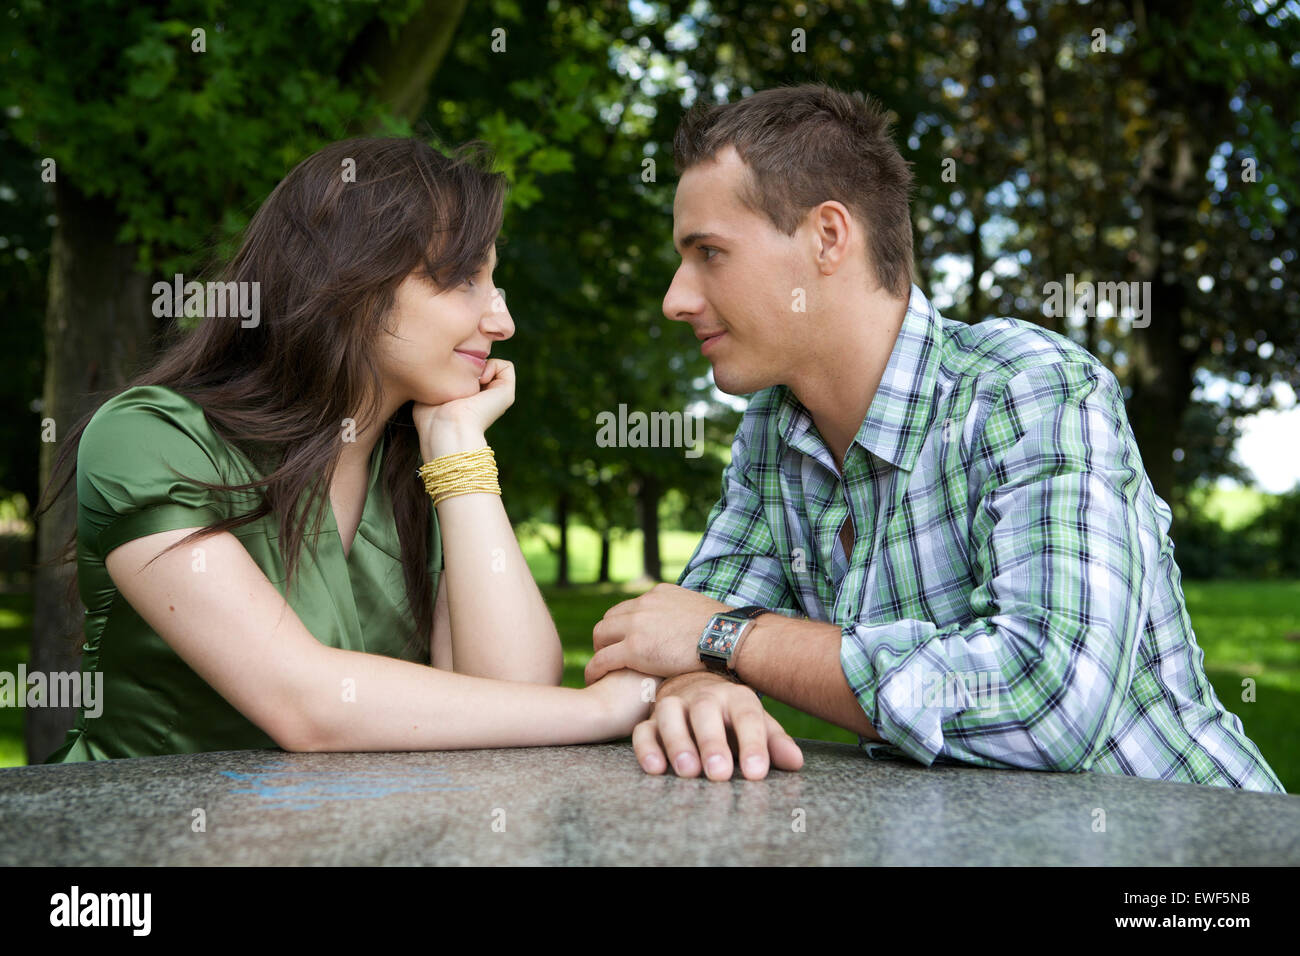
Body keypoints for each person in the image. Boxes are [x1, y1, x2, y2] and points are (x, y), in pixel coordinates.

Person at [585, 83, 1285, 794]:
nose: (677, 297)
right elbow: (675, 631)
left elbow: (1048, 704)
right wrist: (703, 690)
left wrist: (732, 642)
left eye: (709, 253)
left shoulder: (1027, 388)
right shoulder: (775, 427)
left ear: (829, 236)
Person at [36, 136, 656, 762]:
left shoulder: (420, 467)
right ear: (351, 280)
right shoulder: (150, 436)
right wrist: (605, 707)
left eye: (495, 285)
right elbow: (306, 706)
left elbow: (515, 698)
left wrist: (458, 445)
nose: (502, 323)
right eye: (464, 279)